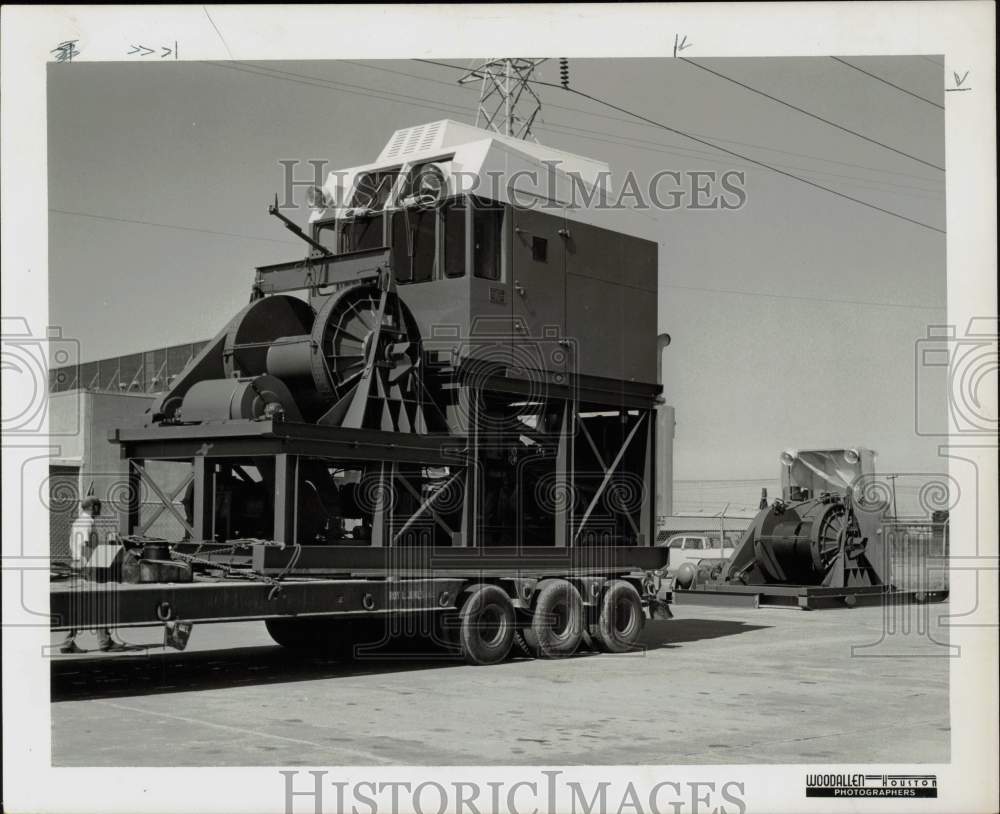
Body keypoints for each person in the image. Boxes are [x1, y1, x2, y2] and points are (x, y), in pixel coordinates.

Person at [60, 497, 125, 653]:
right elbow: (85, 546)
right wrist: (97, 562)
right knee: (99, 602)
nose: (100, 509)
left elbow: (77, 546)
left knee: (84, 605)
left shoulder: (79, 522)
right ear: (93, 507)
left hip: (81, 565)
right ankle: (104, 642)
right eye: (99, 506)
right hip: (89, 567)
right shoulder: (87, 522)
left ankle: (69, 642)